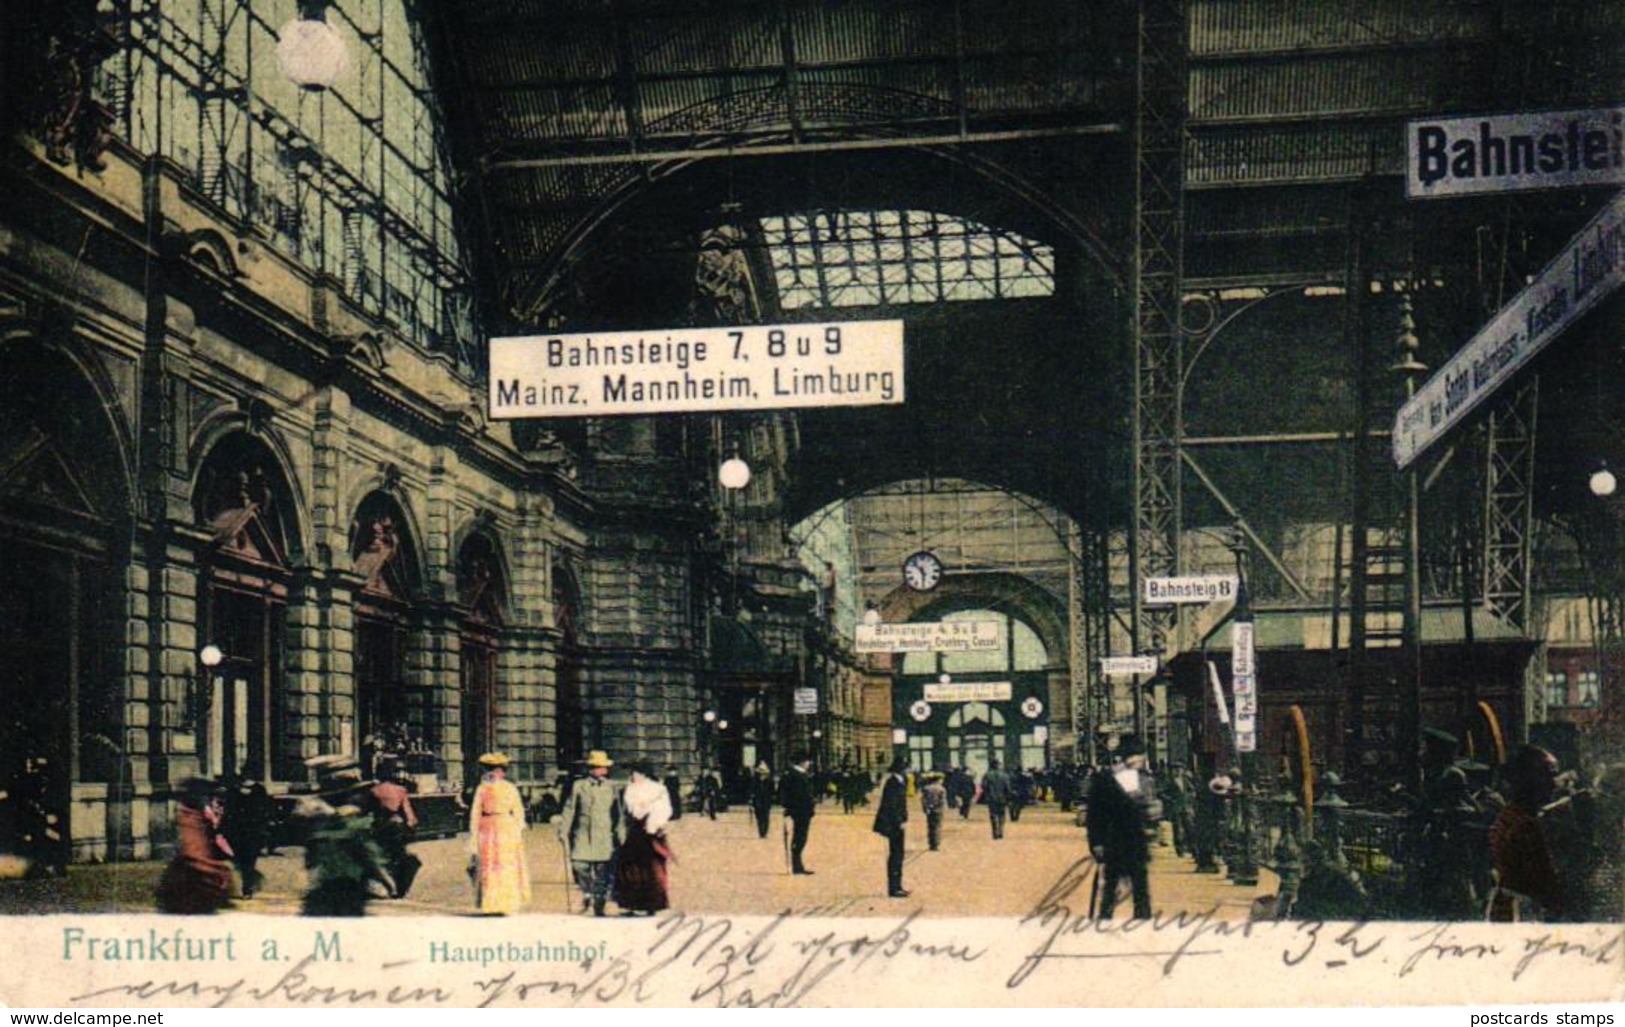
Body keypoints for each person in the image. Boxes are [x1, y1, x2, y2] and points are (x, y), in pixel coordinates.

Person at [1488, 745, 1565, 922]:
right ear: (1529, 780)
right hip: (1526, 914)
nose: (1553, 783)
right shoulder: (1526, 826)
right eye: (1548, 775)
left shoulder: (1510, 815)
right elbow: (1546, 884)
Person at [1085, 738, 1156, 920]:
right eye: (1137, 756)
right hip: (1113, 840)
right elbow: (1094, 815)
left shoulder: (1145, 779)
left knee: (1141, 886)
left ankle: (1143, 919)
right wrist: (1096, 843)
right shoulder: (1105, 779)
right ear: (1126, 758)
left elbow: (1151, 810)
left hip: (1137, 840)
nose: (1140, 760)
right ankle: (1104, 919)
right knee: (1110, 885)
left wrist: (1152, 827)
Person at [560, 749, 624, 916]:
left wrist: (620, 833)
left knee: (603, 870)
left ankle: (599, 902)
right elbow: (570, 808)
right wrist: (563, 830)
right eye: (598, 767)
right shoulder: (579, 786)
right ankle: (587, 892)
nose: (602, 770)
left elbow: (618, 814)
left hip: (604, 834)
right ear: (590, 769)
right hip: (582, 832)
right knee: (579, 865)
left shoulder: (612, 787)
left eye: (604, 767)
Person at [156, 778, 234, 915]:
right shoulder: (192, 816)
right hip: (194, 867)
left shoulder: (190, 813)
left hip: (192, 864)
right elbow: (194, 847)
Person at [302, 803, 392, 917]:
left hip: (326, 885)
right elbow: (371, 863)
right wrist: (387, 882)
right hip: (350, 886)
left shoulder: (318, 838)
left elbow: (311, 865)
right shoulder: (355, 837)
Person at [468, 752, 530, 915]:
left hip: (505, 828)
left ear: (502, 772)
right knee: (489, 865)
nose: (492, 774)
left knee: (505, 864)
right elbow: (475, 812)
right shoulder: (482, 789)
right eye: (489, 770)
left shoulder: (510, 788)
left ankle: (507, 903)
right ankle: (491, 904)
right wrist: (474, 834)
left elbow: (518, 811)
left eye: (496, 770)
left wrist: (516, 831)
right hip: (487, 828)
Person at [614, 762, 674, 915]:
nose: (633, 776)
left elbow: (665, 809)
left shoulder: (657, 789)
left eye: (636, 773)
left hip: (650, 831)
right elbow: (629, 810)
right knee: (630, 867)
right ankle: (631, 905)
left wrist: (654, 823)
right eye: (632, 773)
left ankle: (652, 905)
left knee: (651, 868)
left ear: (644, 774)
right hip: (635, 831)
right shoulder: (630, 789)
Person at [370, 759, 421, 899]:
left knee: (380, 857)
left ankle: (384, 886)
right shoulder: (400, 790)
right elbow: (410, 815)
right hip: (396, 828)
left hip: (379, 827)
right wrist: (409, 827)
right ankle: (399, 889)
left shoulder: (374, 791)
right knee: (400, 857)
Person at [222, 767, 274, 898]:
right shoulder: (240, 790)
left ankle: (247, 887)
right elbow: (228, 810)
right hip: (245, 830)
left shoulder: (253, 790)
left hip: (246, 830)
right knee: (245, 859)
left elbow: (264, 810)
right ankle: (248, 885)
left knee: (247, 859)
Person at [873, 756, 910, 898]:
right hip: (894, 824)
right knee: (896, 854)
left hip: (897, 822)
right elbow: (892, 805)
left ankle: (897, 886)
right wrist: (899, 821)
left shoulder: (898, 781)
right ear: (901, 769)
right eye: (906, 768)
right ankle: (894, 888)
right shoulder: (893, 782)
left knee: (898, 854)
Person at [780, 754, 817, 875]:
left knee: (801, 837)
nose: (808, 764)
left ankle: (798, 864)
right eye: (807, 761)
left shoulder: (797, 774)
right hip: (801, 810)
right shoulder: (795, 775)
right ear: (801, 762)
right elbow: (793, 794)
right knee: (800, 837)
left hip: (802, 810)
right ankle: (797, 865)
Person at [980, 759, 1013, 840]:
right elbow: (1008, 788)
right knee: (1002, 815)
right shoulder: (1005, 775)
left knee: (993, 815)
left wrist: (988, 792)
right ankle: (1001, 831)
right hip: (1002, 798)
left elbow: (983, 786)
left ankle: (995, 832)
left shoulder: (987, 775)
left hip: (991, 798)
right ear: (999, 765)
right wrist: (1009, 797)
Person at [920, 771, 948, 851]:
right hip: (938, 810)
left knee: (930, 826)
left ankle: (931, 842)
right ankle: (935, 843)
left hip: (929, 809)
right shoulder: (941, 789)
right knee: (937, 826)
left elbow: (923, 800)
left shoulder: (926, 788)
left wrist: (926, 808)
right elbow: (942, 801)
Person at [749, 762, 775, 839]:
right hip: (757, 801)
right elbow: (751, 790)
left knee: (766, 816)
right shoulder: (755, 781)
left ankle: (764, 832)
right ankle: (761, 831)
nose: (762, 774)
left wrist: (772, 798)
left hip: (766, 801)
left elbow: (772, 791)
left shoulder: (770, 781)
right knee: (759, 817)